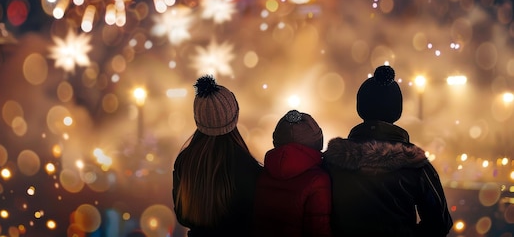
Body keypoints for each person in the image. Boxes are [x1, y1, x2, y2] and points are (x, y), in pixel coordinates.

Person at [323, 65, 453, 237]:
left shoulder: (334, 158)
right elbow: (440, 222)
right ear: (396, 111)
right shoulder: (414, 162)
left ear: (360, 107)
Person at [172, 75, 262, 236]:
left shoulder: (185, 161)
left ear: (198, 119)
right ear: (234, 115)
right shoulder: (248, 166)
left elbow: (182, 216)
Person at [254, 109, 332, 237]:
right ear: (318, 142)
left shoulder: (262, 175)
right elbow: (318, 229)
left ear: (276, 142)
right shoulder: (319, 181)